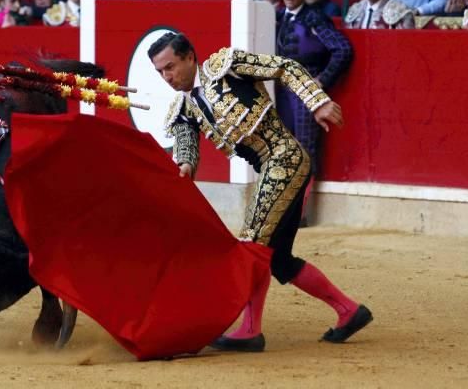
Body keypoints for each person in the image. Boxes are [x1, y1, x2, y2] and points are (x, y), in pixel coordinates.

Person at [149, 32, 372, 352]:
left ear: (189, 57)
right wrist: (184, 165)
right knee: (278, 260)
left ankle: (250, 330)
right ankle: (348, 311)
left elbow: (284, 67)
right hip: (268, 169)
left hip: (285, 158)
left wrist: (316, 101)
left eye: (170, 67)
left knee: (251, 245)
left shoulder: (224, 66)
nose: (167, 77)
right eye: (160, 72)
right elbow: (186, 148)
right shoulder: (184, 106)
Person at [274, 0, 352, 222]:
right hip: (281, 89)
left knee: (305, 148)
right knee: (283, 147)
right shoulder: (276, 17)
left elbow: (342, 49)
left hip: (306, 92)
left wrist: (321, 81)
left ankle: (300, 213)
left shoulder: (314, 18)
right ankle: (285, 209)